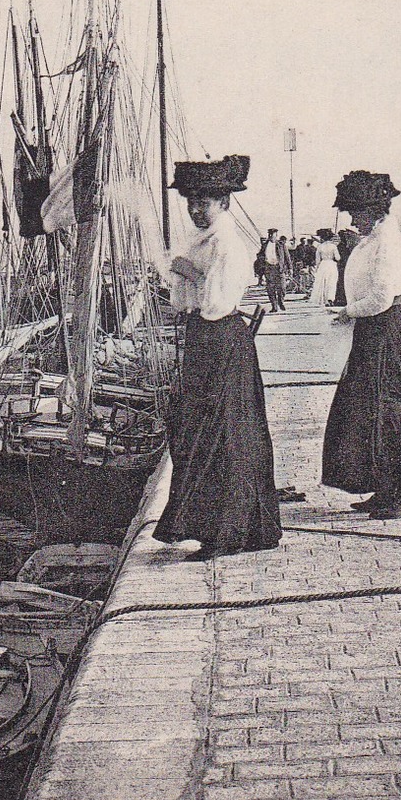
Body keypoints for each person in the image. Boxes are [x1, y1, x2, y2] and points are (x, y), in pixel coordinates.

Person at [152, 155, 283, 560]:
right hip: (204, 341)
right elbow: (182, 302)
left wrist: (189, 274)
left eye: (204, 203)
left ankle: (229, 531)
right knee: (199, 432)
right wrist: (184, 277)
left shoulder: (228, 244)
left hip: (222, 340)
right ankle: (213, 526)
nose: (195, 210)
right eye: (191, 202)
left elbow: (217, 303)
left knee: (224, 435)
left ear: (224, 203)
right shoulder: (201, 241)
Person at [321, 171, 401, 520]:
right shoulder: (375, 237)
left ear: (375, 210)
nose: (352, 219)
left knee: (388, 410)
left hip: (387, 330)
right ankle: (384, 487)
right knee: (370, 410)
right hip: (374, 330)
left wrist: (348, 312)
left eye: (356, 212)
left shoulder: (387, 243)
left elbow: (381, 296)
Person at [309, 227, 340, 305]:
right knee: (331, 282)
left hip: (323, 265)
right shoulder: (333, 246)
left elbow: (317, 260)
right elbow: (338, 258)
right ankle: (330, 298)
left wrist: (317, 269)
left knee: (322, 283)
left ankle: (324, 299)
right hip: (331, 264)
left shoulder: (320, 246)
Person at [259, 228, 287, 311]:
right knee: (270, 289)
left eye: (273, 235)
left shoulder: (281, 244)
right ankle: (274, 306)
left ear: (276, 235)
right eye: (270, 235)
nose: (271, 236)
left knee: (282, 287)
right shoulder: (264, 245)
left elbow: (287, 256)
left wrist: (290, 268)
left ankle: (280, 302)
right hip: (269, 269)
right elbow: (260, 256)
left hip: (279, 268)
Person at [332, 227, 359, 307]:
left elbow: (336, 257)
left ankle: (340, 299)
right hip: (347, 266)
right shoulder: (350, 246)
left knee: (341, 282)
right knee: (345, 282)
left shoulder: (340, 246)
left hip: (341, 266)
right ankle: (345, 299)